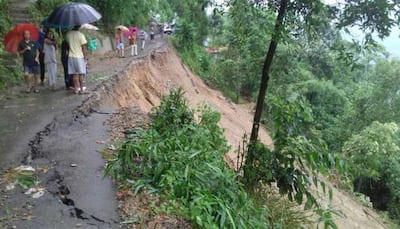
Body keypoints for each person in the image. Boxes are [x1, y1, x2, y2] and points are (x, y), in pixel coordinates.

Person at [66, 25, 88, 94]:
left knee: (74, 74)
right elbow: (83, 47)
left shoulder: (68, 34)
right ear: (79, 26)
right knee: (81, 74)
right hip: (79, 57)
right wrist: (85, 56)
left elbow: (67, 44)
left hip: (71, 56)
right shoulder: (81, 35)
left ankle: (76, 89)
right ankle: (81, 90)